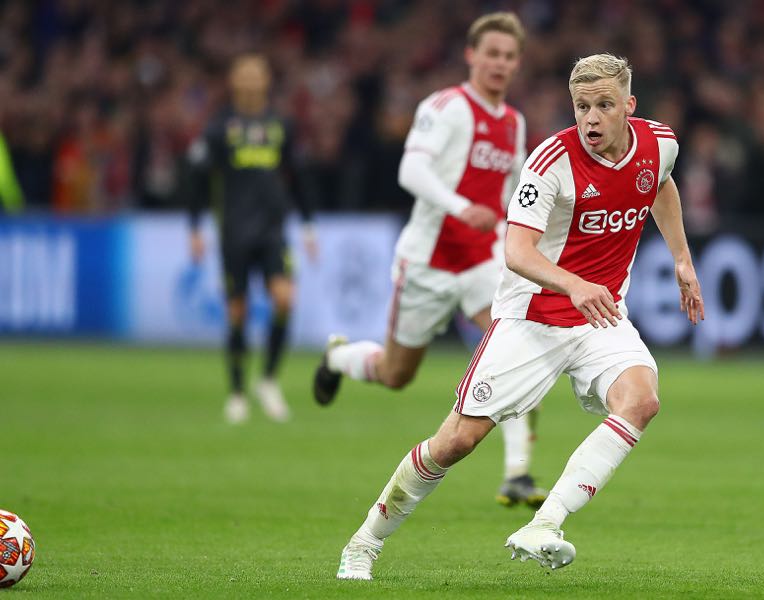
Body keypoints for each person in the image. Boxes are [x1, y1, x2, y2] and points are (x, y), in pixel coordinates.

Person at [335, 53, 705, 580]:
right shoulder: (550, 160)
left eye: (604, 105)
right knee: (456, 442)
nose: (591, 118)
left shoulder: (659, 143)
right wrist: (575, 284)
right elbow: (517, 252)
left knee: (641, 399)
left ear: (630, 106)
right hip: (532, 318)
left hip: (599, 316)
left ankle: (545, 524)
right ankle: (365, 541)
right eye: (582, 107)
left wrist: (682, 259)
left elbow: (660, 185)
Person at [313, 12, 547, 508]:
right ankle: (337, 357)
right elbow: (411, 170)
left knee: (518, 346)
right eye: (492, 54)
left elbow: (510, 194)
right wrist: (463, 208)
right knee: (397, 374)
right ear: (472, 55)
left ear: (517, 62)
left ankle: (518, 475)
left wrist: (518, 238)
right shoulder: (446, 107)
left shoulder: (514, 122)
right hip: (428, 262)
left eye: (509, 56)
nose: (500, 64)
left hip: (483, 264)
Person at [187, 54, 316, 424]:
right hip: (234, 233)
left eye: (256, 75)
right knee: (237, 312)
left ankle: (269, 380)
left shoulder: (281, 125)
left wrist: (308, 226)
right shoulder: (218, 128)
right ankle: (238, 391)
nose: (249, 81)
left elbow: (299, 176)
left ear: (265, 81)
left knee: (284, 299)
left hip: (273, 231)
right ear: (233, 81)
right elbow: (196, 178)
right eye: (243, 75)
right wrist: (195, 228)